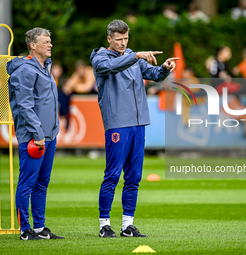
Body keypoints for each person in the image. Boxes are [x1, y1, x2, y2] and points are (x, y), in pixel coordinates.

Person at [90, 19, 178, 238]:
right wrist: (135, 55)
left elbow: (153, 74)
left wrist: (165, 69)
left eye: (126, 39)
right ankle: (104, 225)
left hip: (139, 123)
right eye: (118, 39)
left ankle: (127, 225)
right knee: (112, 175)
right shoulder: (99, 57)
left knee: (134, 176)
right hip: (118, 123)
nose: (122, 43)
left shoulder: (132, 56)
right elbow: (109, 67)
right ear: (109, 39)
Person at [7, 27, 64, 240]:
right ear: (32, 45)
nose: (50, 44)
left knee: (42, 183)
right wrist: (37, 132)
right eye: (46, 41)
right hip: (34, 137)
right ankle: (25, 230)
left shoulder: (44, 67)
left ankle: (39, 228)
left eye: (50, 41)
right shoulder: (25, 70)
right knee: (27, 183)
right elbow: (24, 104)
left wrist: (51, 130)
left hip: (48, 135)